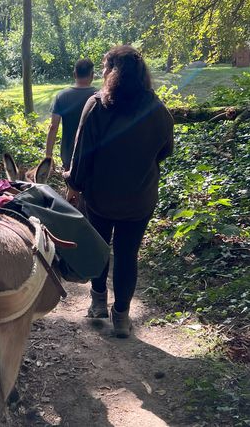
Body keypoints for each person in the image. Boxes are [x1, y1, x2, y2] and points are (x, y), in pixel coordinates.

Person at [65, 45, 174, 338]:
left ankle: (99, 302)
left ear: (112, 71)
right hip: (140, 199)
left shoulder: (97, 105)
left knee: (100, 248)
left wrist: (73, 185)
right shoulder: (158, 109)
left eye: (105, 66)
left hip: (100, 197)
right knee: (128, 255)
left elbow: (82, 154)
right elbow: (165, 150)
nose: (101, 71)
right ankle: (122, 317)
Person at [45, 58, 96, 170]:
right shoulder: (99, 96)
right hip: (94, 153)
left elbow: (53, 127)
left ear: (74, 74)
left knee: (71, 184)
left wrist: (48, 156)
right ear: (92, 75)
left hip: (68, 153)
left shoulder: (62, 96)